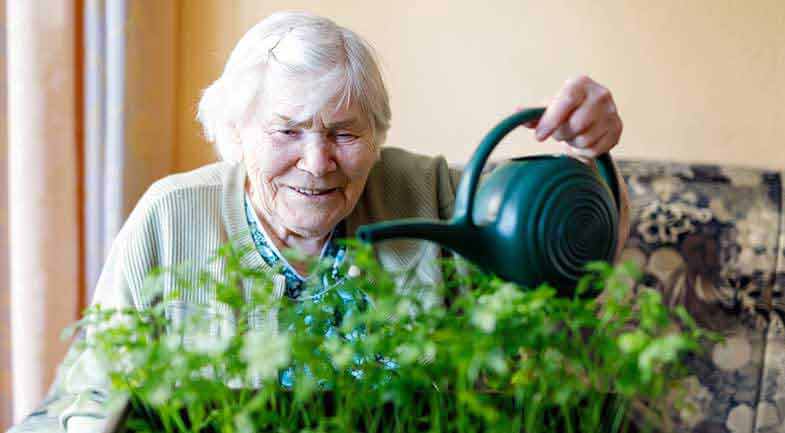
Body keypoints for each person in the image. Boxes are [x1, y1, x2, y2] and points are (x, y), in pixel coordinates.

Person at [8, 10, 629, 433]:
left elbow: (573, 258)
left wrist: (585, 152)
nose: (317, 162)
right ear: (235, 132)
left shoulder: (427, 190)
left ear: (378, 136)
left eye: (344, 132)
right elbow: (87, 395)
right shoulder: (171, 215)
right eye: (287, 130)